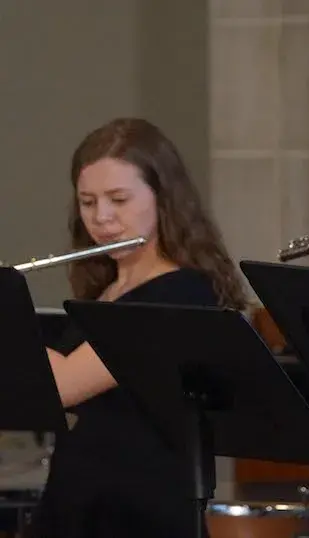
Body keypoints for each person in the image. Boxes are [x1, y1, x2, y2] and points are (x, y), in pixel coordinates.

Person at [24, 118, 247, 538]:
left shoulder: (178, 295)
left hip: (137, 515)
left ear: (163, 199)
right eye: (87, 202)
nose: (101, 217)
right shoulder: (108, 289)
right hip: (78, 502)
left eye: (118, 199)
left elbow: (62, 385)